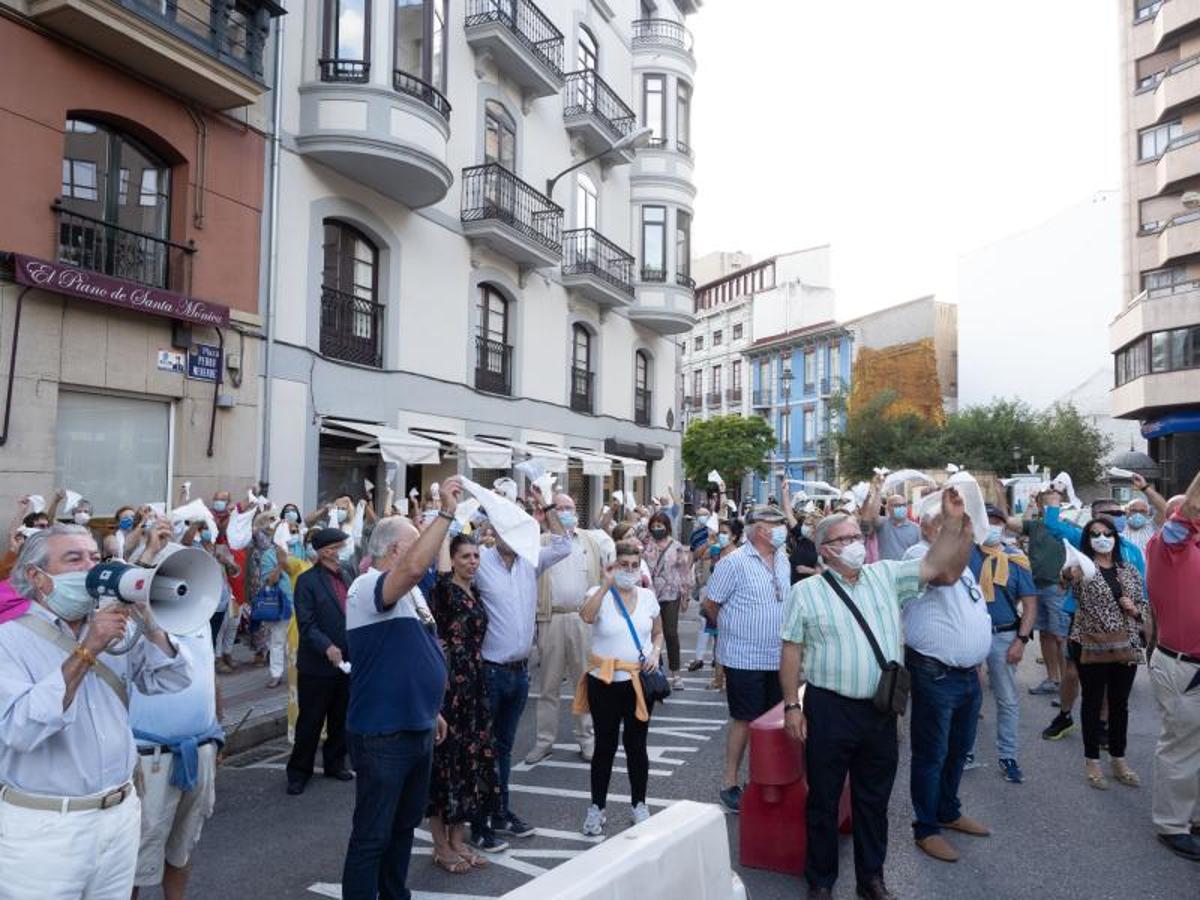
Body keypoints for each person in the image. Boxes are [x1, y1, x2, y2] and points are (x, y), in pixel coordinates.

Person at [779, 488, 975, 900]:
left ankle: (871, 879)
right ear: (826, 551)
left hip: (879, 711)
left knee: (873, 800)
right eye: (844, 540)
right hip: (828, 709)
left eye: (857, 537)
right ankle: (821, 881)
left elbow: (935, 564)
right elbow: (791, 650)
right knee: (824, 801)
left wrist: (954, 522)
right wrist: (792, 707)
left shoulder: (886, 575)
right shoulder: (807, 592)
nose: (855, 545)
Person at [0, 524, 191, 900]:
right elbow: (19, 729)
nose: (90, 568)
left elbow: (172, 680)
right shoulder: (10, 640)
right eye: (74, 559)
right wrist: (88, 649)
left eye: (93, 557)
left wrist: (151, 626)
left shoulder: (114, 627)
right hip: (45, 828)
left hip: (119, 817)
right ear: (38, 577)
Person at [340, 492, 458, 900]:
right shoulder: (367, 584)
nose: (424, 549)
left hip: (417, 724)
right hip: (382, 732)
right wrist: (444, 514)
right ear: (394, 549)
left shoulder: (411, 592)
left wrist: (433, 709)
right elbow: (411, 568)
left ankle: (394, 895)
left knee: (404, 826)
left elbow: (418, 650)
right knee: (372, 833)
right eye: (417, 540)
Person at [469, 486, 571, 851]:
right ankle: (479, 820)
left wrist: (546, 506)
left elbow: (564, 545)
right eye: (505, 530)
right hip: (490, 671)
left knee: (504, 749)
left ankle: (500, 811)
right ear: (494, 531)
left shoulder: (530, 560)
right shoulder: (479, 561)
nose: (513, 538)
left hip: (518, 672)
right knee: (483, 748)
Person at [902, 504, 994, 863]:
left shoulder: (962, 565)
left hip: (965, 675)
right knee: (931, 753)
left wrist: (977, 657)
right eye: (949, 525)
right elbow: (943, 576)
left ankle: (948, 810)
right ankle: (926, 827)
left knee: (959, 749)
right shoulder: (917, 554)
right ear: (929, 530)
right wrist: (962, 534)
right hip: (935, 674)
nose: (957, 531)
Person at [1038, 492, 1147, 744]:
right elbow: (1052, 526)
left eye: (1121, 514)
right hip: (1081, 618)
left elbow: (1142, 588)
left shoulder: (1131, 551)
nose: (1119, 519)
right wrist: (1054, 499)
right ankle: (1065, 715)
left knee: (1111, 677)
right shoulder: (1083, 540)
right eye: (1114, 514)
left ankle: (1102, 724)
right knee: (1073, 672)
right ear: (1097, 518)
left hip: (1120, 625)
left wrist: (1141, 618)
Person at [702, 505, 791, 813]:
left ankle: (764, 779)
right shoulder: (734, 562)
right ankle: (729, 782)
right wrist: (731, 631)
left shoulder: (783, 558)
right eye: (774, 524)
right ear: (756, 530)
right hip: (743, 657)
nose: (781, 529)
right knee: (744, 718)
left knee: (772, 723)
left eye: (782, 523)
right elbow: (711, 604)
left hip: (778, 656)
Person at [130, 609, 224, 900]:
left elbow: (209, 673)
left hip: (200, 748)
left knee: (182, 849)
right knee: (133, 859)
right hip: (148, 758)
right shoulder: (130, 619)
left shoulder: (198, 608)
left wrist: (219, 729)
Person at [573, 540, 664, 836]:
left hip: (638, 682)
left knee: (637, 746)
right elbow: (586, 617)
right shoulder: (597, 594)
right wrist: (605, 585)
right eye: (623, 565)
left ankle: (639, 804)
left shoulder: (648, 597)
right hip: (604, 681)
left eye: (634, 566)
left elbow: (659, 632)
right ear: (612, 566)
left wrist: (653, 653)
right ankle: (596, 808)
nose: (629, 570)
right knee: (605, 747)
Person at [427, 534, 502, 872]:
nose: (472, 561)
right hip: (448, 683)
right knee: (446, 763)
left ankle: (458, 839)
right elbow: (433, 634)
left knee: (470, 762)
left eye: (476, 556)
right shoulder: (443, 589)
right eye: (465, 556)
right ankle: (440, 845)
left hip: (474, 682)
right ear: (453, 559)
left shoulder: (477, 591)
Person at [526, 492, 613, 765]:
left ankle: (587, 740)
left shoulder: (590, 540)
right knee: (548, 686)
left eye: (569, 507)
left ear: (577, 511)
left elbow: (601, 579)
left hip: (582, 618)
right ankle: (544, 742)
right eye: (559, 507)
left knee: (584, 684)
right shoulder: (541, 542)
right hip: (550, 617)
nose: (564, 512)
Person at [1067, 515, 1147, 791]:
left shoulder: (1130, 570)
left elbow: (1144, 608)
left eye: (1107, 533)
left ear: (1116, 537)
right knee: (1091, 702)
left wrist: (1134, 610)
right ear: (1088, 541)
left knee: (1119, 704)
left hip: (1126, 645)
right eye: (1095, 534)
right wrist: (1070, 572)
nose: (1102, 538)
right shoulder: (1083, 568)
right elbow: (1066, 578)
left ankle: (1118, 759)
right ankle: (1092, 762)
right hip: (1091, 644)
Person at [1145, 470, 1200, 861]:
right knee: (1181, 746)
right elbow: (1187, 510)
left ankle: (1190, 815)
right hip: (1182, 666)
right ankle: (1172, 824)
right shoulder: (1168, 546)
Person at [968, 504, 1037, 784]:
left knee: (1006, 699)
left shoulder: (1016, 560)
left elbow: (1030, 604)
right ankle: (966, 751)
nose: (993, 527)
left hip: (1004, 635)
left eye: (997, 522)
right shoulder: (963, 556)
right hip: (970, 635)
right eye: (987, 522)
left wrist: (1021, 640)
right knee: (968, 697)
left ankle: (1008, 756)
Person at [287, 527, 355, 795]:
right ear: (327, 551)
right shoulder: (307, 581)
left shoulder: (348, 576)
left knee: (341, 718)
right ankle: (298, 772)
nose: (343, 552)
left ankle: (335, 763)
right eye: (340, 546)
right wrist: (326, 646)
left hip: (347, 662)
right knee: (311, 720)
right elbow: (307, 622)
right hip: (317, 665)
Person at [1007, 492, 1069, 704]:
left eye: (1056, 502)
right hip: (1037, 586)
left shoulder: (1067, 526)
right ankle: (1053, 679)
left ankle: (1066, 685)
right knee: (1045, 634)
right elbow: (1010, 523)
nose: (1052, 505)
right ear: (1041, 507)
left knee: (1061, 636)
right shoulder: (1035, 526)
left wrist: (1070, 575)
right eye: (1048, 502)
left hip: (1057, 588)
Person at [638, 510, 693, 690]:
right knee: (652, 632)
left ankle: (676, 673)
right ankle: (657, 668)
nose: (657, 529)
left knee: (670, 632)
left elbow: (684, 571)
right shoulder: (646, 545)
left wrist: (685, 595)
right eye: (654, 526)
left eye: (660, 526)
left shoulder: (676, 546)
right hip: (649, 594)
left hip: (671, 594)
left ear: (667, 527)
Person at [246, 512, 291, 687]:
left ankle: (296, 672)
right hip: (281, 604)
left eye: (293, 531)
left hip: (301, 602)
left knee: (297, 641)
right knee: (278, 640)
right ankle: (276, 674)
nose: (290, 534)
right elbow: (268, 580)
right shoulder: (268, 555)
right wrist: (280, 565)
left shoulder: (298, 549)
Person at [860, 479, 921, 561]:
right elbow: (873, 516)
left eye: (903, 505)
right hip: (887, 570)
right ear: (888, 508)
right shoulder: (883, 524)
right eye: (896, 505)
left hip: (906, 570)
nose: (900, 508)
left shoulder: (916, 529)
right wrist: (878, 491)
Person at [781, 480, 820, 584]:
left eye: (809, 524)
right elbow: (789, 514)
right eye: (805, 523)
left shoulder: (823, 544)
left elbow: (828, 572)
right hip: (793, 584)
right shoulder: (801, 536)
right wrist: (785, 493)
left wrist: (809, 570)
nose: (805, 526)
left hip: (810, 586)